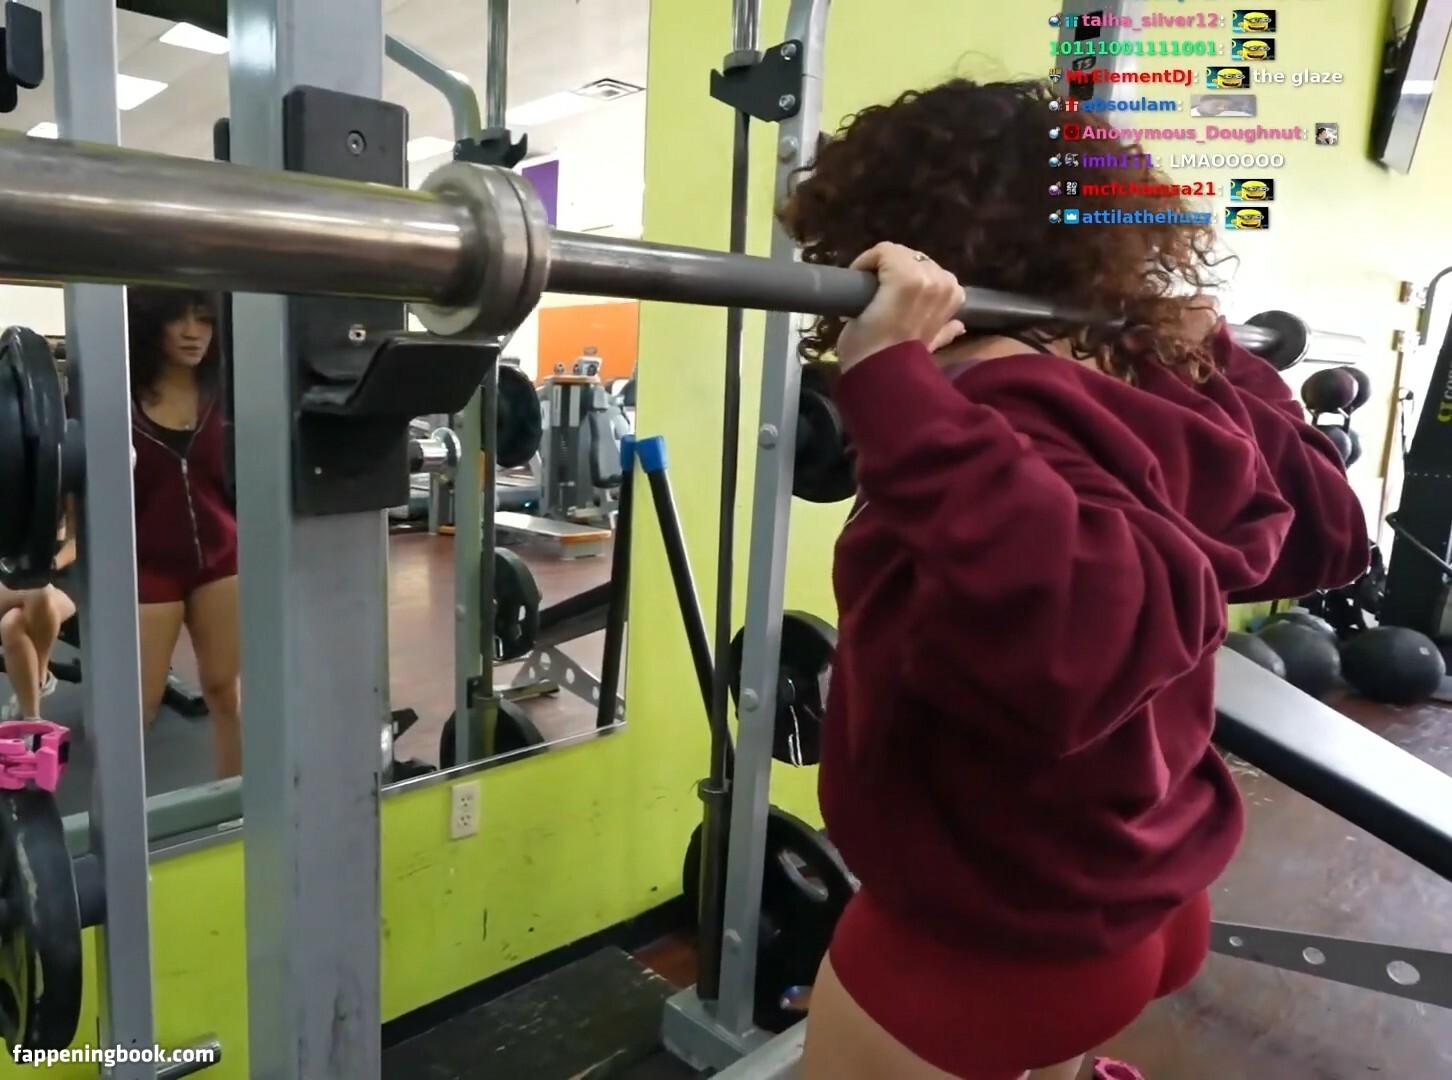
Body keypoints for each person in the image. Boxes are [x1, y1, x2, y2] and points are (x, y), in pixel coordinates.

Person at [778, 78, 1370, 1080]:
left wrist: (895, 392)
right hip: (1134, 883)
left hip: (990, 938)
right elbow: (1330, 533)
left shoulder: (990, 409)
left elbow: (1077, 649)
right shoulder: (1140, 388)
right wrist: (1222, 364)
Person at [130, 287, 242, 778]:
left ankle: (240, 806)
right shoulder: (122, 397)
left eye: (204, 320)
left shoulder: (225, 396)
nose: (194, 333)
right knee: (137, 707)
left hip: (221, 557)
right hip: (146, 565)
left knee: (225, 690)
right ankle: (117, 817)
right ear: (152, 326)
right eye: (179, 320)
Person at [0, 517, 77, 722]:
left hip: (58, 581)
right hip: (13, 577)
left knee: (14, 620)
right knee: (32, 596)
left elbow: (76, 541)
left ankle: (33, 707)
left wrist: (50, 564)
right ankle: (37, 696)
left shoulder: (64, 497)